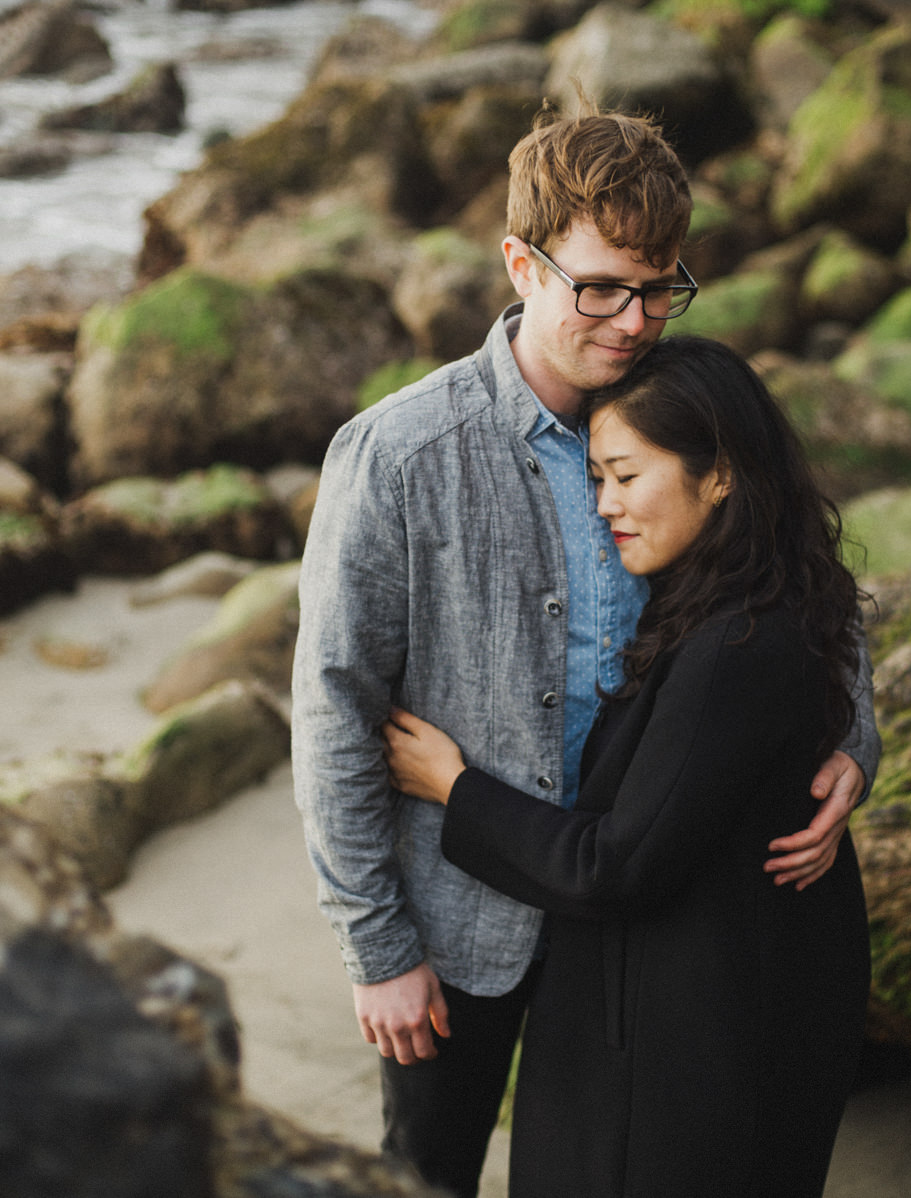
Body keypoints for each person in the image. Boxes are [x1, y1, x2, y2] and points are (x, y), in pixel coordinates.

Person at [291, 105, 880, 1198]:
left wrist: (854, 734)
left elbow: (799, 564)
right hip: (461, 931)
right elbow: (334, 710)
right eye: (601, 286)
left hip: (640, 932)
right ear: (521, 263)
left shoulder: (678, 407)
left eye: (661, 287)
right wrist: (377, 945)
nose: (634, 319)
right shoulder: (399, 454)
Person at [381, 335, 871, 1197]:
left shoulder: (736, 643)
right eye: (596, 479)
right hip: (743, 991)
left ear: (719, 474)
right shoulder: (760, 590)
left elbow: (616, 864)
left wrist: (451, 786)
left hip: (699, 1032)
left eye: (625, 475)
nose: (604, 506)